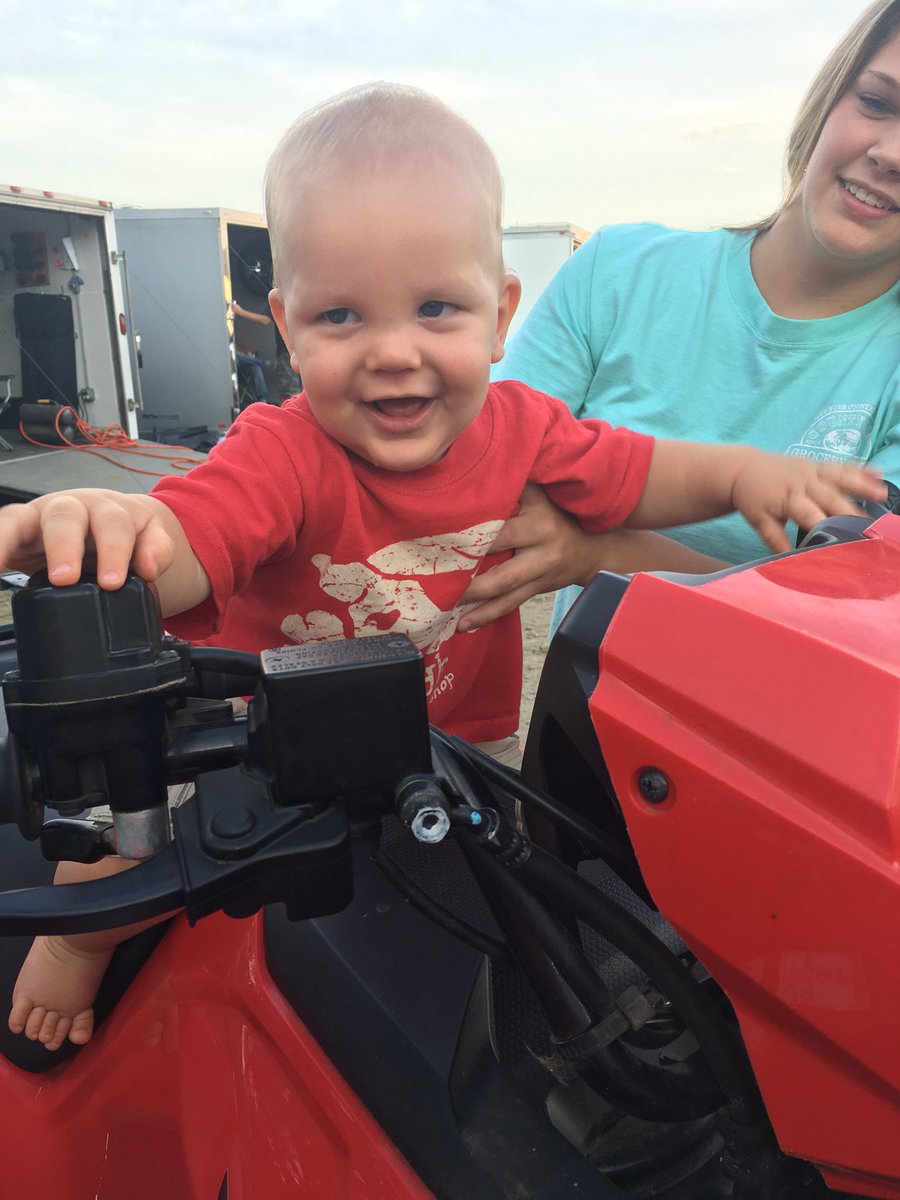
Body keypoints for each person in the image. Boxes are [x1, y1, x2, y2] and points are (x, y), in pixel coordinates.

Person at [0, 84, 883, 1053]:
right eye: (342, 316)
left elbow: (642, 473)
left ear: (499, 317)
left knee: (507, 879)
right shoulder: (281, 452)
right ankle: (72, 944)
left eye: (435, 309)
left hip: (456, 737)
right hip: (266, 737)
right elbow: (192, 535)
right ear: (287, 329)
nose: (393, 352)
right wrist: (123, 536)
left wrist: (746, 477)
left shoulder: (527, 430)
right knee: (142, 843)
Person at [463, 0, 900, 637]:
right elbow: (485, 467)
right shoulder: (615, 272)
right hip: (583, 698)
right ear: (831, 95)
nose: (891, 153)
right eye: (877, 102)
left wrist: (599, 553)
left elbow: (849, 617)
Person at [230, 299, 272, 403]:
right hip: (228, 361)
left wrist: (246, 354)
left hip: (239, 362)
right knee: (236, 355)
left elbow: (235, 346)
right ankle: (262, 363)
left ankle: (262, 399)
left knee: (255, 367)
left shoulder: (231, 334)